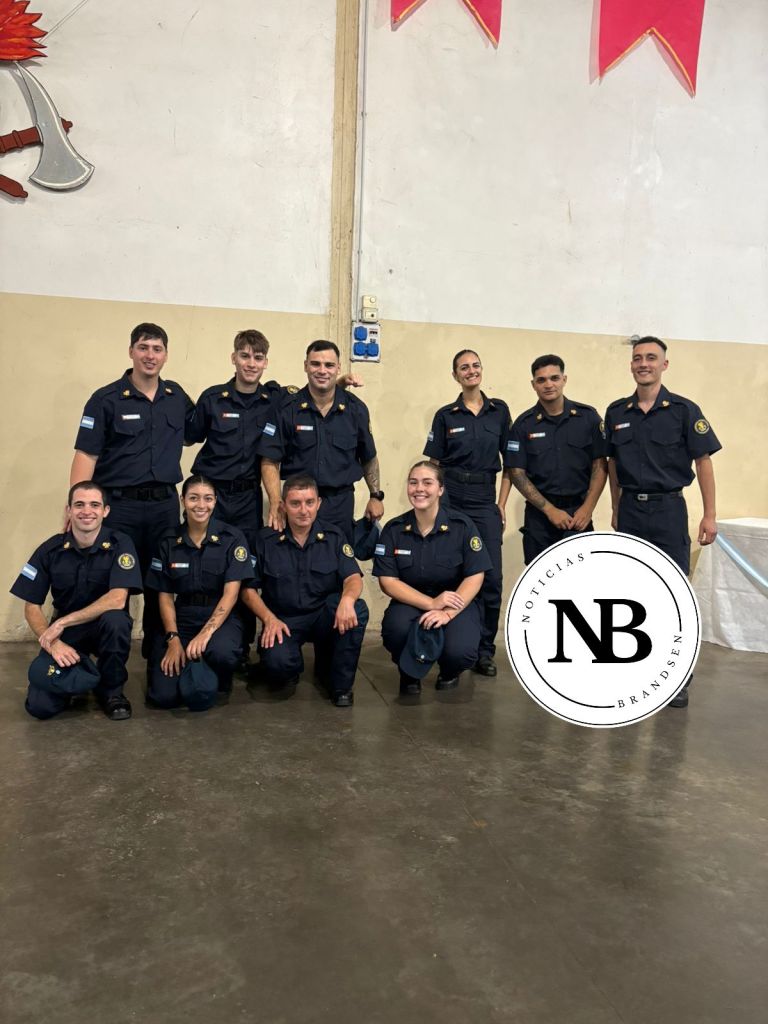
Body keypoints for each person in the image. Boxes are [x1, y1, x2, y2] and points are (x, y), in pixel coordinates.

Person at [605, 335, 722, 708]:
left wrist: (710, 514)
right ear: (631, 365)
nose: (644, 363)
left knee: (673, 594)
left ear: (664, 365)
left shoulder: (684, 411)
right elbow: (611, 465)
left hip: (669, 511)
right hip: (630, 512)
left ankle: (677, 676)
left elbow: (703, 462)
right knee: (631, 593)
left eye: (651, 358)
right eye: (638, 358)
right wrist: (615, 507)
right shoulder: (617, 412)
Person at [70, 323, 195, 654]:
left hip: (163, 509)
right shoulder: (105, 400)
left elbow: (201, 429)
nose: (150, 355)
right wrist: (77, 507)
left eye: (157, 349)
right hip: (119, 509)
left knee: (160, 584)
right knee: (114, 585)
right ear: (131, 352)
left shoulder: (177, 398)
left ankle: (159, 662)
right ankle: (112, 666)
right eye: (143, 347)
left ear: (165, 355)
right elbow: (86, 455)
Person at [9, 482, 142, 720]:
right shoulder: (50, 549)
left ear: (105, 511)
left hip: (102, 626)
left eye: (94, 505)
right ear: (69, 510)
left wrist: (62, 623)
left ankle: (111, 691)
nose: (86, 511)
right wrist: (52, 642)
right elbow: (31, 606)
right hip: (67, 634)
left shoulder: (120, 544)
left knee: (117, 621)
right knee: (40, 707)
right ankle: (76, 679)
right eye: (79, 505)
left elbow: (117, 599)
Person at [423, 349, 514, 677]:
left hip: (484, 500)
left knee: (491, 577)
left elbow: (511, 464)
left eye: (475, 365)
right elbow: (433, 465)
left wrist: (501, 504)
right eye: (464, 367)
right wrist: (433, 507)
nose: (471, 371)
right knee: (450, 574)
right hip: (451, 500)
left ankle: (484, 650)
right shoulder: (445, 415)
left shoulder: (499, 412)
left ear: (481, 370)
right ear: (455, 375)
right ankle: (448, 643)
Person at [240, 474, 368, 707]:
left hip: (323, 616)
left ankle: (340, 686)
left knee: (357, 609)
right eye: (295, 503)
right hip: (284, 620)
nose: (303, 510)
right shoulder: (265, 540)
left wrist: (347, 600)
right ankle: (290, 664)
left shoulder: (333, 536)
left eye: (309, 502)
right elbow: (248, 591)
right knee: (278, 666)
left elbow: (353, 577)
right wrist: (269, 619)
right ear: (283, 506)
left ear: (319, 503)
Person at [373, 461, 491, 697]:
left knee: (461, 651)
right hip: (411, 601)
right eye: (413, 482)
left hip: (455, 602)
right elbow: (388, 581)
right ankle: (409, 673)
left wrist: (447, 613)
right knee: (395, 631)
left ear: (440, 489)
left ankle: (449, 671)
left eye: (427, 483)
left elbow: (475, 575)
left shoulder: (462, 526)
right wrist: (431, 603)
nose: (419, 489)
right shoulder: (394, 529)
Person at [143, 475, 254, 710]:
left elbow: (231, 594)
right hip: (183, 617)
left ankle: (213, 676)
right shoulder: (168, 540)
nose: (201, 505)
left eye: (208, 498)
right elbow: (165, 596)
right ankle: (194, 668)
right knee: (163, 697)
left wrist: (205, 634)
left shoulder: (232, 538)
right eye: (193, 498)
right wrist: (173, 638)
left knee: (221, 653)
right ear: (183, 500)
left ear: (215, 501)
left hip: (221, 617)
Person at [257, 340, 384, 542]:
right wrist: (275, 501)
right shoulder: (287, 409)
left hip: (339, 505)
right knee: (295, 557)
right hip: (298, 503)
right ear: (305, 366)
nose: (322, 370)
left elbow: (368, 456)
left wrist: (375, 496)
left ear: (338, 368)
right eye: (315, 364)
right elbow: (269, 460)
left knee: (339, 557)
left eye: (329, 365)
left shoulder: (355, 409)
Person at [508, 354, 608, 564]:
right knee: (539, 577)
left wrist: (588, 508)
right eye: (541, 380)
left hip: (579, 515)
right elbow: (516, 473)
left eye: (554, 378)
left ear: (564, 379)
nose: (548, 384)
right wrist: (549, 510)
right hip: (539, 519)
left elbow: (600, 465)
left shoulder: (588, 418)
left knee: (583, 577)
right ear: (533, 385)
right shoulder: (523, 425)